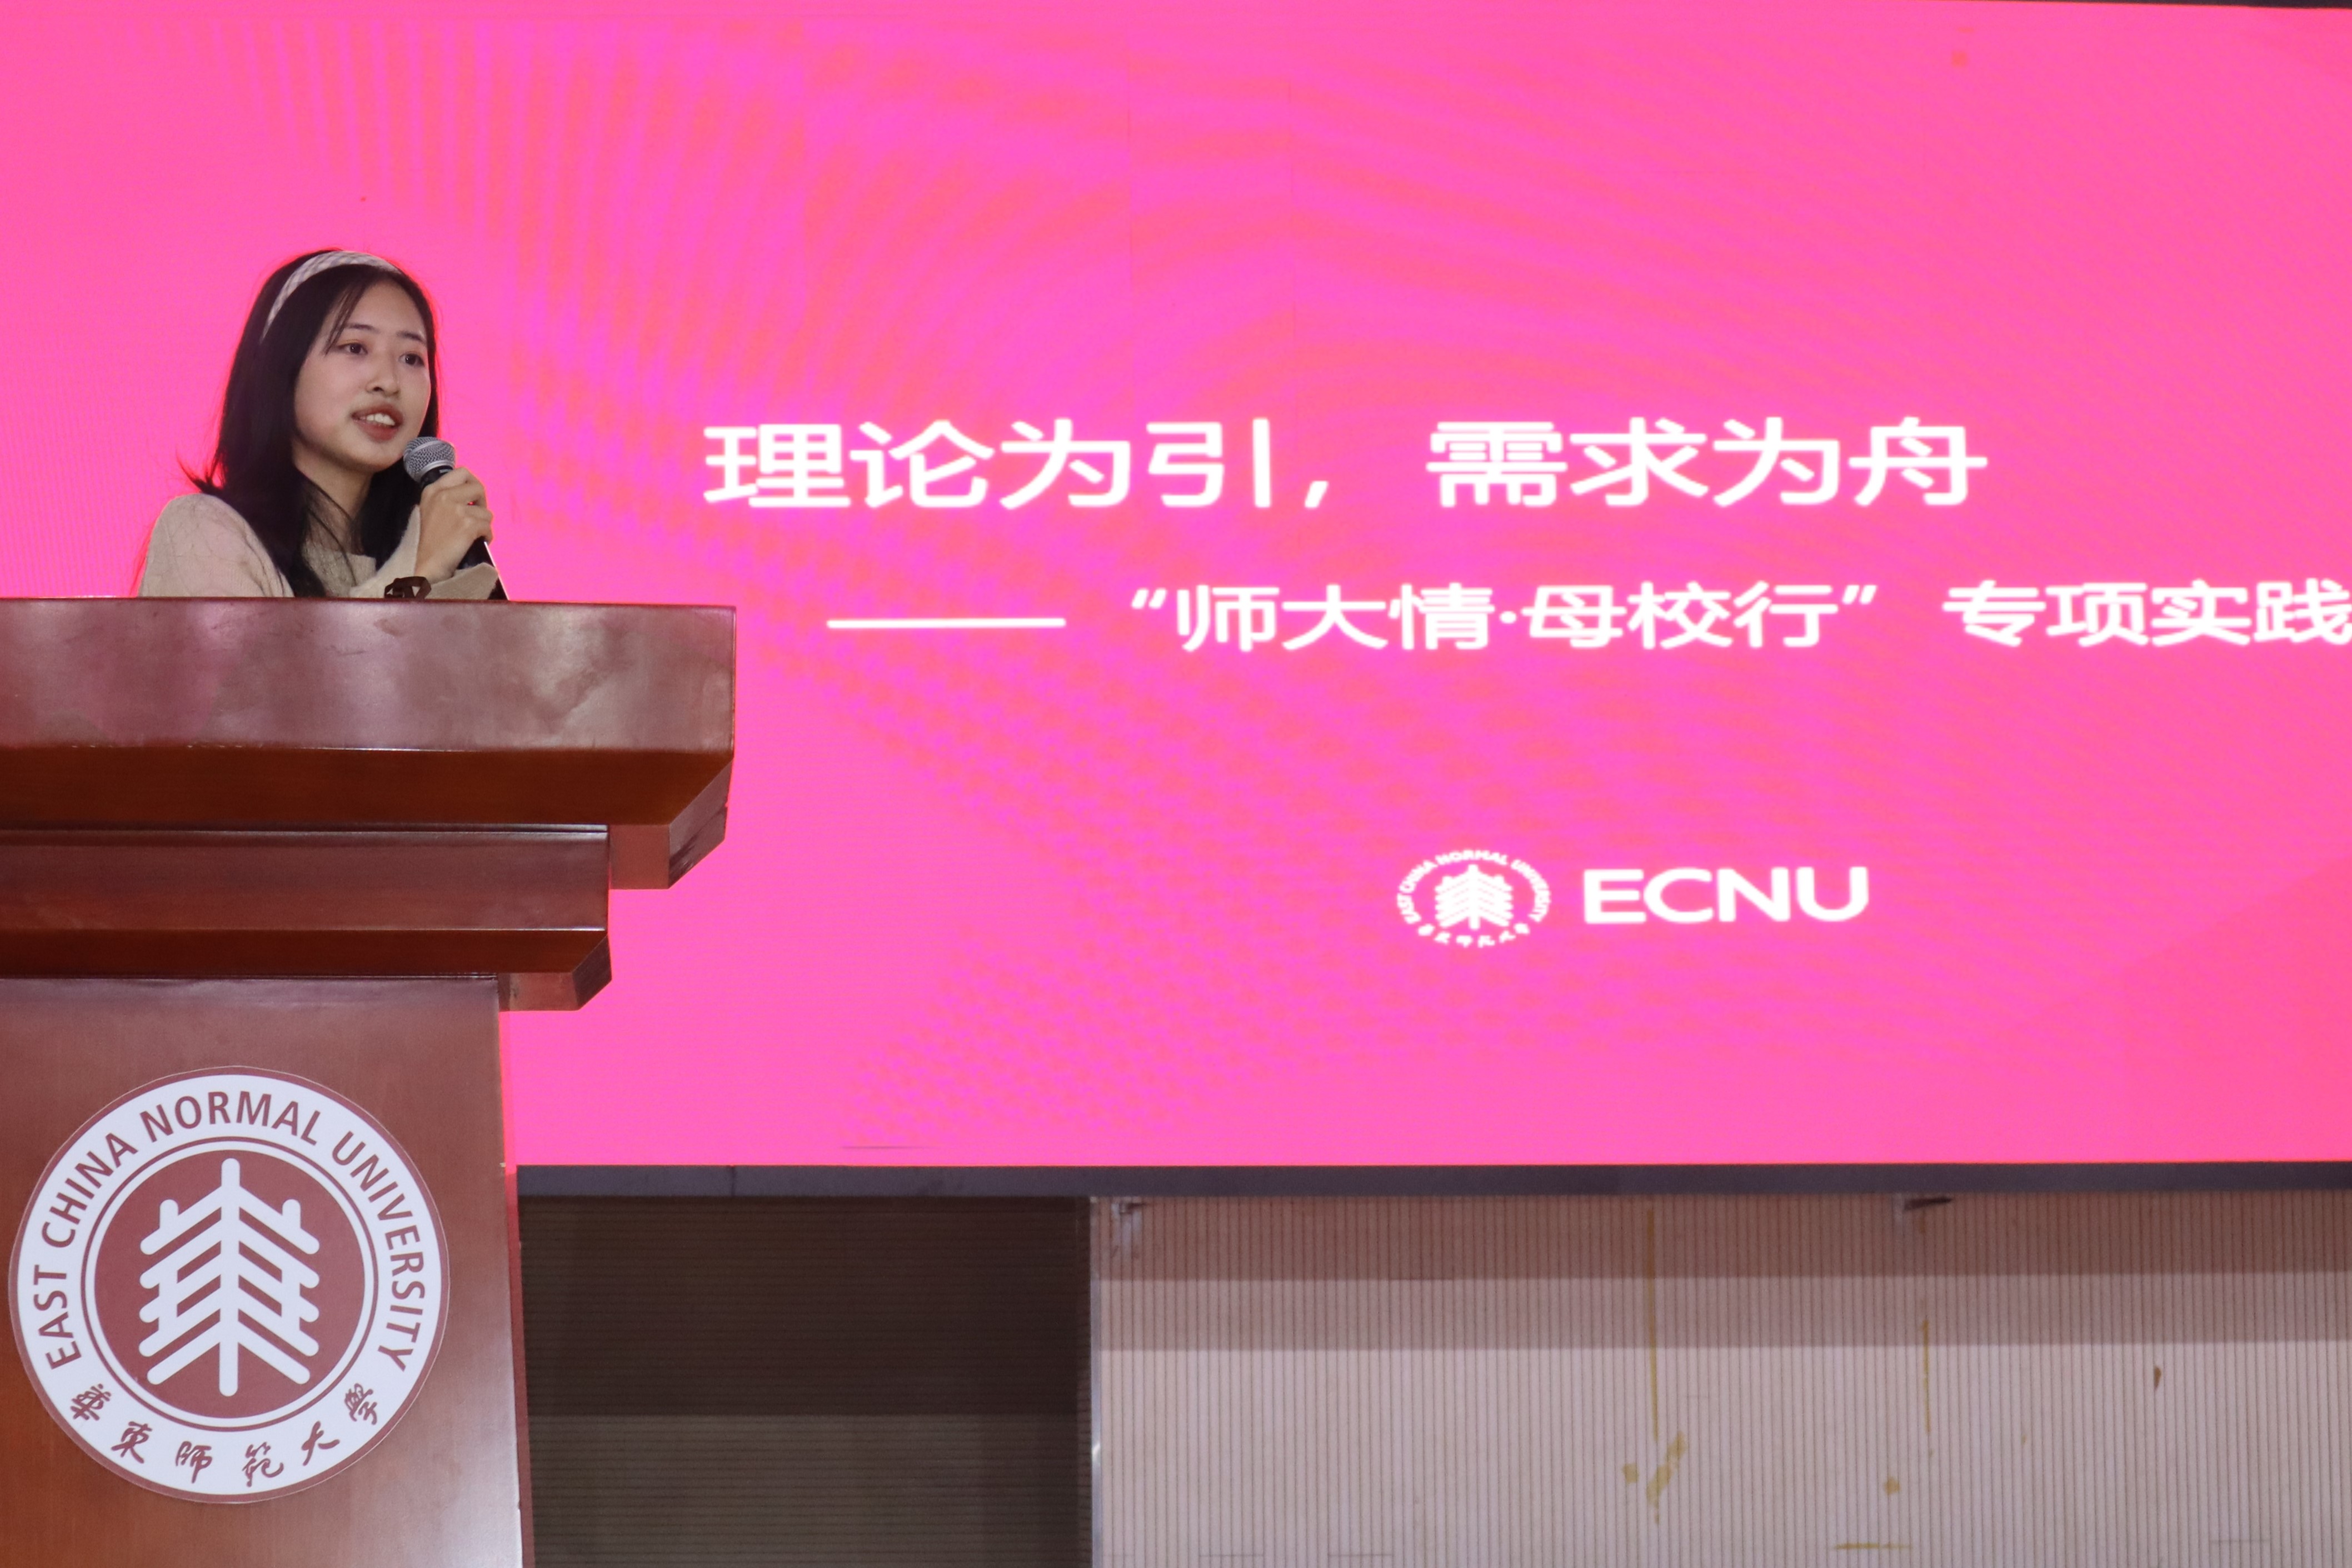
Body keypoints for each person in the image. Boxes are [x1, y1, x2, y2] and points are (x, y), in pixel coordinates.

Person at [139, 249, 500, 599]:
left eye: (411, 358)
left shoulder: (437, 556)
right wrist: (419, 571)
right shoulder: (205, 532)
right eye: (355, 348)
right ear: (281, 371)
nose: (389, 382)